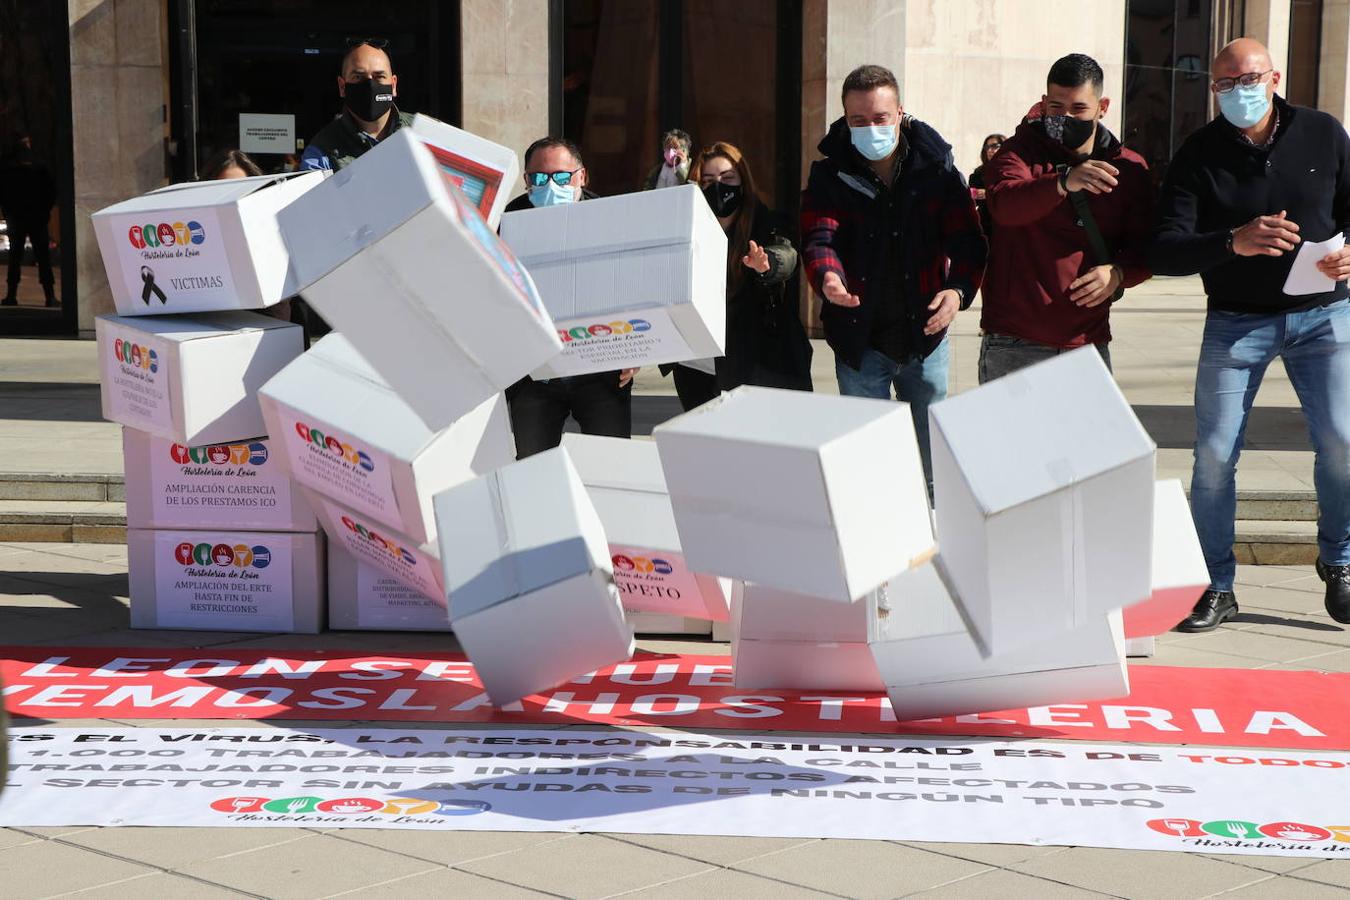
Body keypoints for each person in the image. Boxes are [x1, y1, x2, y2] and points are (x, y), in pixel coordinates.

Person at [1149, 38, 1350, 631]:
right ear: (1213, 89)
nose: (1239, 91)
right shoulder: (1198, 153)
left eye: (1249, 79)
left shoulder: (1322, 132)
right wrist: (1230, 242)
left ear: (1275, 77)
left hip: (1324, 315)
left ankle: (1340, 561)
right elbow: (1163, 248)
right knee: (1213, 455)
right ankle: (1216, 584)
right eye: (1225, 84)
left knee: (1341, 440)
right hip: (1237, 321)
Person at [800, 64, 987, 489]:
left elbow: (968, 241)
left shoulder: (936, 170)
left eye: (880, 118)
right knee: (866, 463)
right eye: (858, 121)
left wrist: (958, 292)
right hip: (860, 338)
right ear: (845, 120)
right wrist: (828, 279)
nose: (870, 128)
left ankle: (934, 530)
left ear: (900, 113)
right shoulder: (829, 175)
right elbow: (819, 237)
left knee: (933, 459)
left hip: (925, 336)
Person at [980, 53, 1154, 383]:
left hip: (1087, 341)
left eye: (1078, 109)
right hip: (1014, 339)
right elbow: (1004, 203)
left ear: (1102, 107)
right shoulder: (1016, 154)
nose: (1066, 117)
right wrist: (1063, 182)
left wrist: (1118, 273)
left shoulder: (1129, 169)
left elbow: (1145, 246)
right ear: (1043, 103)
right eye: (1057, 108)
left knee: (1089, 437)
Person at [502, 137, 638, 457]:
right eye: (539, 178)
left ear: (582, 177)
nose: (551, 185)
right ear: (526, 180)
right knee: (534, 471)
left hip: (601, 373)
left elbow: (633, 285)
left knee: (611, 468)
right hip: (535, 377)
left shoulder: (608, 219)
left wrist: (637, 349)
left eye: (562, 177)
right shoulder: (508, 220)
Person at [664, 141, 810, 410]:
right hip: (697, 363)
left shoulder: (767, 222)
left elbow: (786, 254)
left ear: (743, 182)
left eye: (728, 177)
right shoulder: (682, 227)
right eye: (708, 180)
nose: (718, 186)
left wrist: (767, 265)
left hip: (755, 357)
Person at [300, 39, 409, 173]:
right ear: (342, 86)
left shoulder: (422, 133)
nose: (370, 85)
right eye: (358, 77)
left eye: (379, 76)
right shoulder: (321, 152)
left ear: (393, 85)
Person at [1, 136, 58, 307]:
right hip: (34, 218)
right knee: (41, 257)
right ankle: (49, 295)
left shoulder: (10, 169)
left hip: (21, 218)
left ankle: (12, 295)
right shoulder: (38, 168)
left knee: (16, 257)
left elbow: (4, 194)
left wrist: (9, 212)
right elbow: (50, 192)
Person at [967, 132, 1005, 238]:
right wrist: (972, 194)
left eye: (994, 146)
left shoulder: (1012, 170)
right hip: (986, 224)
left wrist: (988, 194)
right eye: (987, 147)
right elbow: (971, 198)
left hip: (1006, 223)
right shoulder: (979, 173)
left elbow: (1015, 193)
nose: (990, 150)